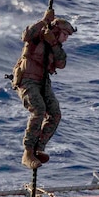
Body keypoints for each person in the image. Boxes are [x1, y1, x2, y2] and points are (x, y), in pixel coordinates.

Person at [11, 9, 76, 170]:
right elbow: (25, 35)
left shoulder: (55, 45)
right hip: (27, 80)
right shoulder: (38, 35)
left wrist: (53, 43)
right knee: (38, 110)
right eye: (65, 35)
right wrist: (43, 21)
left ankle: (39, 147)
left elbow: (61, 63)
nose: (66, 39)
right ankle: (28, 152)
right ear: (57, 31)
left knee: (55, 113)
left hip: (43, 81)